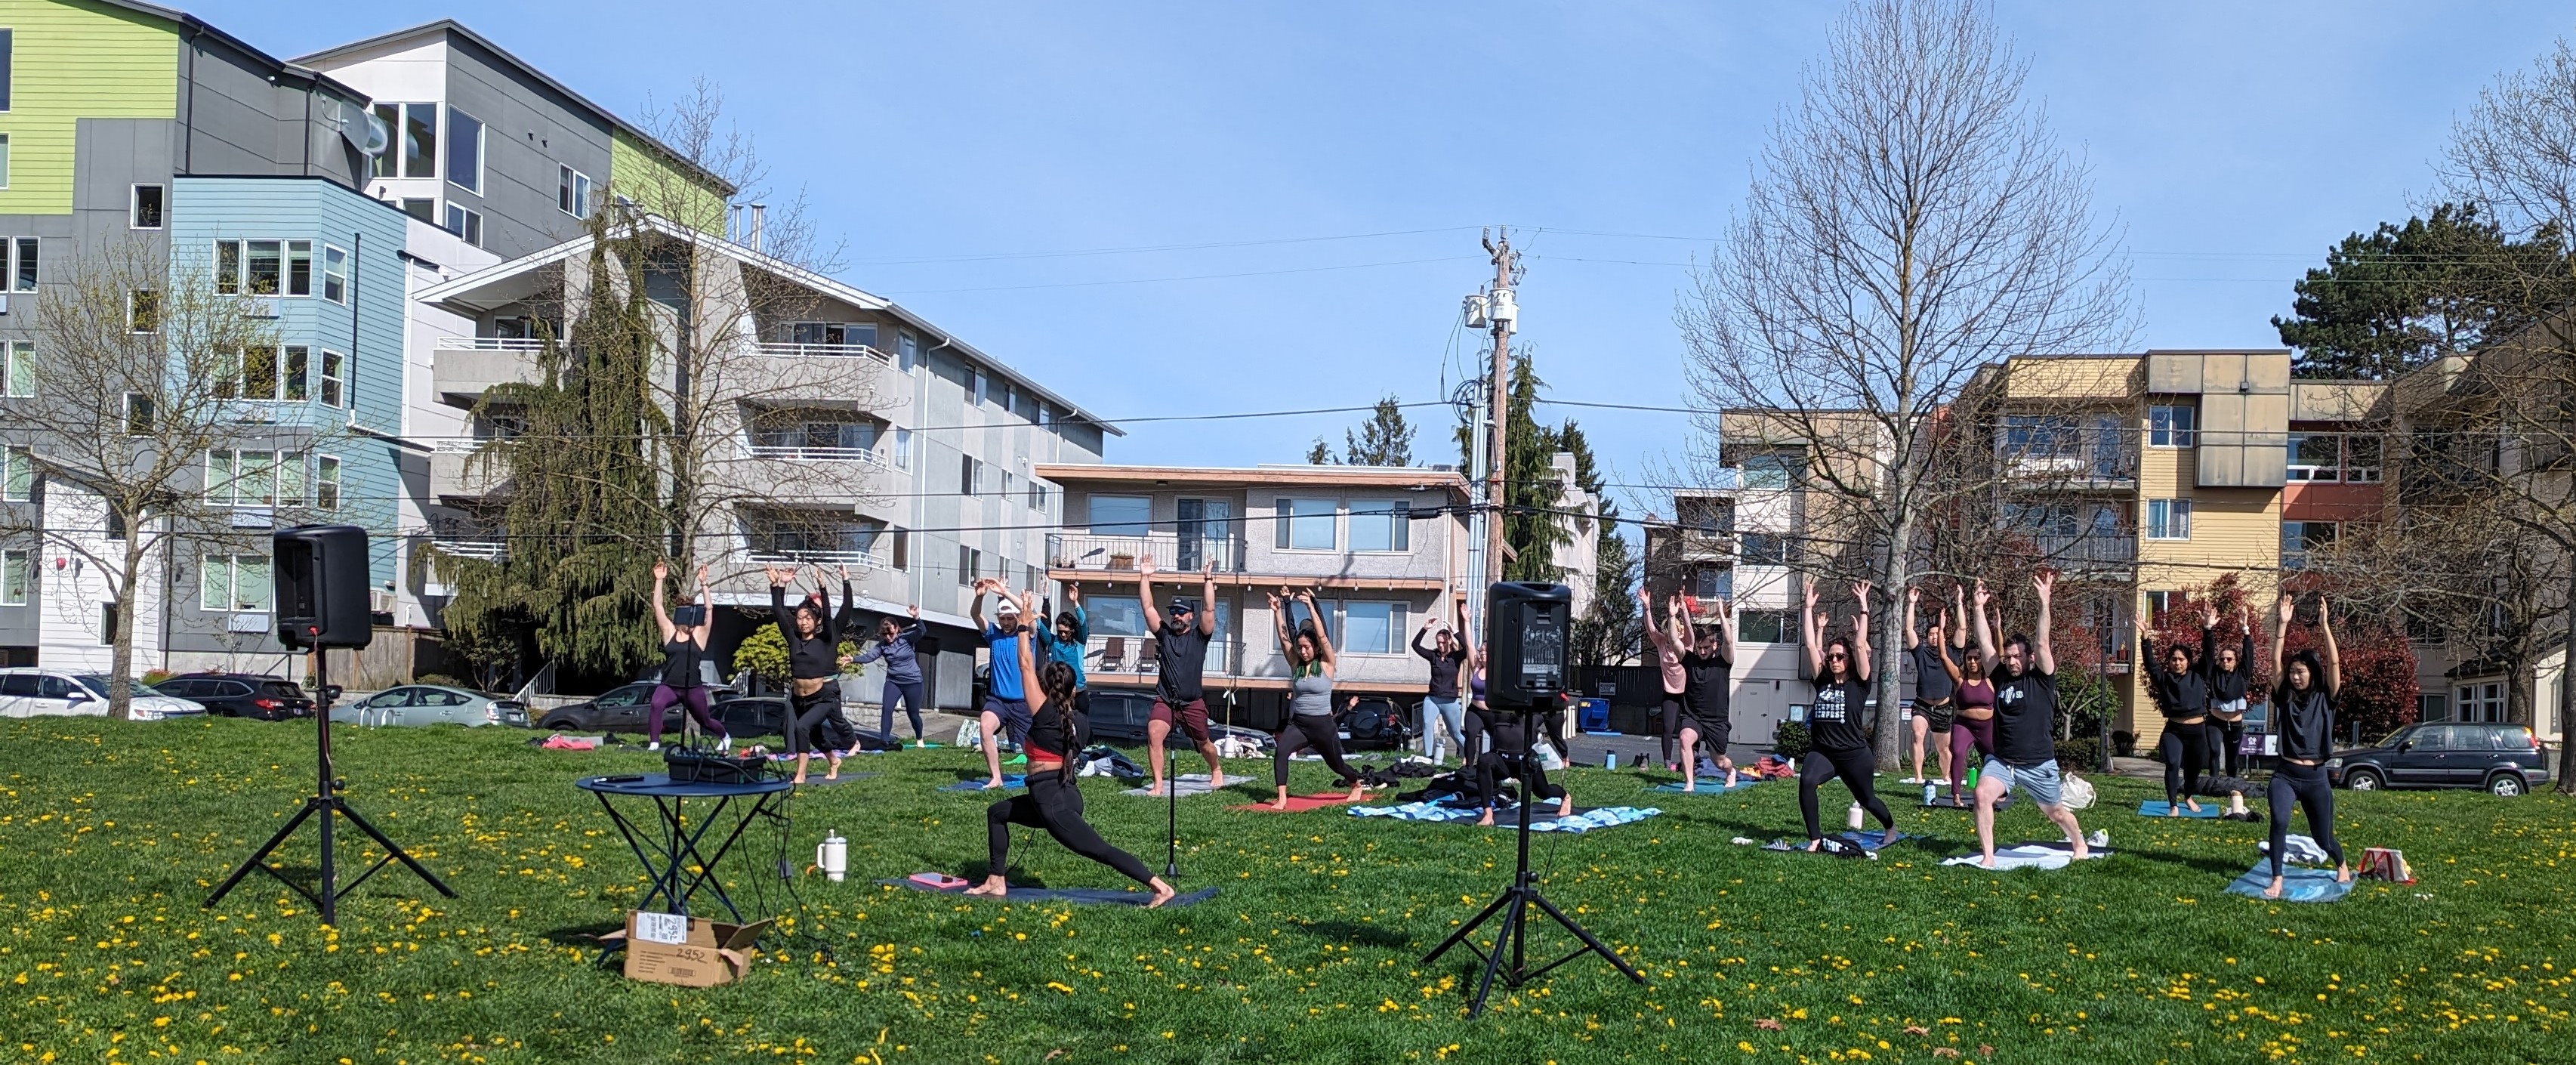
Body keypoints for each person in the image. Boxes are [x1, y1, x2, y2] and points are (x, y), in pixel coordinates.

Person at [969, 588, 1179, 907]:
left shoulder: (1045, 715)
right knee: (997, 813)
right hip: (1061, 794)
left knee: (1101, 850)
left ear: (1046, 689)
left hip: (1052, 803)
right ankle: (996, 880)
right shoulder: (1080, 720)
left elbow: (1025, 665)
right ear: (1071, 690)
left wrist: (1024, 625)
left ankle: (1160, 886)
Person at [1969, 573, 2090, 866]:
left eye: (2017, 657)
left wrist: (2044, 602)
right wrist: (1978, 608)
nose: (2012, 661)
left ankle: (2079, 842)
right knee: (1982, 794)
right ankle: (1988, 856)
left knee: (2055, 813)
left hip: (2038, 764)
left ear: (2029, 658)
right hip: (2003, 762)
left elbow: (2043, 643)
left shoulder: (2042, 679)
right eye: (2008, 657)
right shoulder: (2001, 677)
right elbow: (1985, 644)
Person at [1798, 579, 1897, 851]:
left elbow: (1861, 644)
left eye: (1840, 656)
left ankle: (1890, 828)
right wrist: (1807, 608)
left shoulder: (1859, 683)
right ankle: (1815, 839)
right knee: (1807, 781)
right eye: (1831, 657)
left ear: (1849, 659)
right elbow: (1810, 645)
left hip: (1854, 754)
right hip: (1824, 752)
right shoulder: (1822, 681)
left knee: (1867, 799)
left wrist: (1864, 607)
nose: (1834, 660)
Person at [2265, 591, 2351, 899]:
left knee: (2323, 838)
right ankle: (2277, 879)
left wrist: (2325, 626)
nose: (2295, 676)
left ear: (2312, 672)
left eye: (2300, 671)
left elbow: (2335, 663)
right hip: (2286, 774)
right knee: (2280, 821)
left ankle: (2341, 863)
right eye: (2292, 672)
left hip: (2316, 778)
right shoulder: (2285, 696)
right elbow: (2275, 661)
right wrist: (2282, 625)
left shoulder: (2327, 698)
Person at [1266, 588, 1369, 809]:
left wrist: (1311, 608)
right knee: (1281, 752)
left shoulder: (1327, 664)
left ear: (1315, 647)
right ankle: (1282, 799)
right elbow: (1284, 641)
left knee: (1337, 765)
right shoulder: (1296, 665)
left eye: (1307, 647)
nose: (1303, 652)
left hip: (1323, 726)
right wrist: (1277, 611)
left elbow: (1322, 637)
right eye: (1300, 648)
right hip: (1299, 724)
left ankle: (1356, 783)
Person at [1138, 557, 1226, 795]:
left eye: (1181, 612)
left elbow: (1209, 609)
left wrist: (1208, 578)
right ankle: (1158, 784)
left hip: (1192, 703)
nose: (1176, 616)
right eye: (1173, 612)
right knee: (1154, 733)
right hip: (1166, 701)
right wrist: (1144, 576)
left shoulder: (1200, 636)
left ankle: (1216, 768)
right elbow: (1148, 608)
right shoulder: (1165, 635)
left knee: (1204, 743)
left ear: (1191, 616)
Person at [769, 563, 848, 785]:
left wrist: (825, 587)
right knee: (813, 734)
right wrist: (777, 586)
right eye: (800, 618)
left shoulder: (825, 640)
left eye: (808, 618)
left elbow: (833, 614)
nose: (803, 622)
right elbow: (778, 612)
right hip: (798, 698)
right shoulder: (793, 639)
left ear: (817, 621)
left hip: (822, 697)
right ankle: (834, 760)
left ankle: (800, 775)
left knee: (802, 728)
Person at [2138, 608, 2215, 816]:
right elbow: (2150, 664)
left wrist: (2208, 629)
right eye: (2174, 659)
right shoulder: (2164, 679)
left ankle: (2188, 796)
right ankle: (2173, 805)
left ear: (2188, 661)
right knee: (2172, 763)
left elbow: (2209, 655)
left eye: (2181, 659)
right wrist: (2145, 637)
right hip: (2174, 730)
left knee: (2194, 769)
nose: (2177, 663)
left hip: (2197, 730)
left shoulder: (2199, 675)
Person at [646, 560, 728, 752]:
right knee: (656, 704)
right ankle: (654, 742)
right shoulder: (670, 632)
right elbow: (658, 606)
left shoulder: (699, 634)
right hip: (670, 685)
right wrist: (659, 580)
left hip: (692, 687)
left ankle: (725, 737)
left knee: (705, 720)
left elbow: (709, 610)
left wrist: (704, 583)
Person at [1472, 689, 1575, 826]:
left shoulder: (1534, 709)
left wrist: (1564, 752)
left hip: (1526, 762)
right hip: (1502, 762)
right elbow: (1479, 706)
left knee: (1544, 792)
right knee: (1485, 760)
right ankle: (1488, 814)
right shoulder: (1499, 706)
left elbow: (1555, 728)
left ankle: (1565, 797)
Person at [970, 578, 1033, 790]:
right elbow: (975, 615)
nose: (1005, 622)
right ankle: (996, 778)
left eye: (1009, 618)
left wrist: (1005, 592)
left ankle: (1039, 777)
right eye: (1002, 618)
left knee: (1031, 748)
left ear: (1017, 618)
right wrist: (980, 597)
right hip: (998, 701)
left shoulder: (1027, 635)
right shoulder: (993, 635)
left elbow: (1028, 615)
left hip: (1023, 703)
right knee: (985, 727)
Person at [1674, 591, 1737, 792]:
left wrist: (1722, 614)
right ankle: (1689, 783)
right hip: (1693, 717)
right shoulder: (1690, 661)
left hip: (1717, 721)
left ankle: (1731, 772)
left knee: (1719, 761)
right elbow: (1674, 641)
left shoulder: (1723, 662)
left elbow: (1729, 641)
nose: (1702, 651)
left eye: (1707, 647)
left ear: (1714, 645)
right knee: (1685, 738)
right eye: (1699, 648)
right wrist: (1672, 617)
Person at [1935, 610, 1997, 807]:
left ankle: (1997, 792)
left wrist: (1997, 629)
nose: (1972, 662)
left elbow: (1999, 654)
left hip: (1987, 726)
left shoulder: (1991, 679)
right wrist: (1942, 630)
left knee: (1994, 758)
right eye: (1969, 658)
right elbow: (1943, 656)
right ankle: (1956, 795)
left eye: (1976, 658)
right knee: (1959, 753)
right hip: (1964, 725)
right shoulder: (1960, 678)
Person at [1903, 585, 1964, 786]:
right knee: (1918, 735)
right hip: (1922, 705)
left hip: (1943, 707)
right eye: (1931, 634)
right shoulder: (1921, 653)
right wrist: (1912, 603)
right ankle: (1918, 777)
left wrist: (1959, 602)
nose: (1934, 637)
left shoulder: (1953, 653)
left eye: (1938, 633)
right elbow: (1909, 630)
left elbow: (1962, 629)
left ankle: (1946, 777)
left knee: (1943, 748)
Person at [849, 604, 927, 747]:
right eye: (885, 634)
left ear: (896, 629)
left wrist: (916, 617)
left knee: (913, 714)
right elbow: (869, 657)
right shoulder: (882, 646)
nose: (888, 637)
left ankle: (919, 738)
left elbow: (922, 631)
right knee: (887, 709)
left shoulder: (907, 639)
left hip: (913, 682)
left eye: (890, 633)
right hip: (894, 682)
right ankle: (884, 741)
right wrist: (852, 659)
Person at [2203, 601, 2257, 780]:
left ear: (2235, 661)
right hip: (2215, 721)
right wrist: (2208, 629)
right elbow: (2208, 654)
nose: (2225, 662)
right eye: (2222, 659)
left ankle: (2232, 785)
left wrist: (2245, 629)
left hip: (2234, 724)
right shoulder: (2214, 673)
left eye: (2229, 659)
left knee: (2232, 759)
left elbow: (2249, 654)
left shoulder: (2242, 674)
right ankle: (2213, 783)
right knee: (2214, 751)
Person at [1640, 586, 1691, 772]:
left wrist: (1683, 608)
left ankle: (1693, 760)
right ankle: (1667, 763)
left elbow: (1690, 629)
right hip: (1670, 692)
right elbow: (1651, 629)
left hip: (1687, 692)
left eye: (1673, 632)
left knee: (1689, 729)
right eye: (1668, 633)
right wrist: (1647, 607)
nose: (1670, 637)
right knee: (1668, 728)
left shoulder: (1686, 643)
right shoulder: (1661, 642)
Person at [1411, 607, 1469, 764]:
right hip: (1433, 699)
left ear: (1449, 641)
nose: (1441, 645)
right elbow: (1415, 646)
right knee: (1427, 724)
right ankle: (1429, 758)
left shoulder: (1456, 657)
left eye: (1443, 642)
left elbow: (1468, 649)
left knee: (1455, 732)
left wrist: (1456, 632)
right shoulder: (1433, 656)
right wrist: (1425, 629)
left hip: (1450, 700)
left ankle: (1469, 754)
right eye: (1438, 643)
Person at [1032, 584, 1090, 728]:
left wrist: (1075, 603)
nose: (1063, 635)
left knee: (1082, 723)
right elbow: (1039, 626)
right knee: (1059, 724)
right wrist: (1030, 608)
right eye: (1060, 632)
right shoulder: (1053, 641)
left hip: (1079, 690)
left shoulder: (1079, 642)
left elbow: (1083, 623)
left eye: (1066, 632)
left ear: (1072, 630)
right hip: (1058, 690)